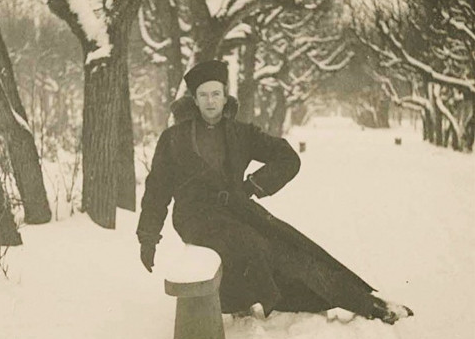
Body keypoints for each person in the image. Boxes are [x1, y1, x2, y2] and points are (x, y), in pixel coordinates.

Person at [136, 60, 413, 324]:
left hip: (237, 210)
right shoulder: (174, 139)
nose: (210, 101)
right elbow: (157, 190)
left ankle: (368, 304)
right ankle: (261, 299)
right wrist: (148, 238)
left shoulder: (240, 133)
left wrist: (252, 186)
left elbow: (287, 158)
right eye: (204, 95)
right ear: (194, 100)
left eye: (216, 94)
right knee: (254, 246)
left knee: (292, 250)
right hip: (195, 218)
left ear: (225, 97)